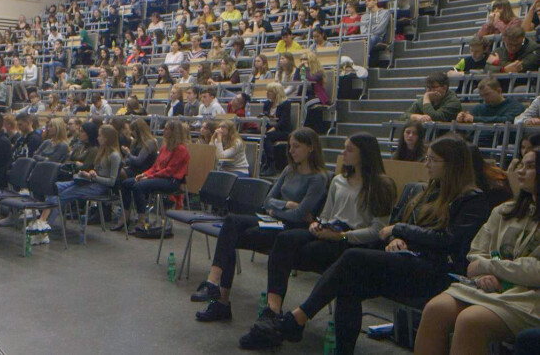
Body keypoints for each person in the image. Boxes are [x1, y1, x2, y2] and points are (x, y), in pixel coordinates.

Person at [240, 136, 491, 353]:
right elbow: (393, 226)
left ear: (452, 165)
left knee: (354, 259)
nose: (426, 164)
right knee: (350, 285)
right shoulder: (425, 191)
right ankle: (334, 346)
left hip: (436, 270)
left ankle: (297, 319)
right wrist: (396, 238)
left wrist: (400, 231)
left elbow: (448, 241)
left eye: (432, 160)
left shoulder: (473, 199)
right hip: (406, 258)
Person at [202, 134, 396, 323]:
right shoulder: (338, 180)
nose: (343, 152)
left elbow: (377, 229)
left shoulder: (380, 185)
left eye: (349, 149)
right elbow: (324, 214)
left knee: (274, 238)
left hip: (346, 237)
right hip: (326, 229)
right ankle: (230, 297)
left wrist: (341, 235)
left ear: (365, 154)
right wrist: (316, 223)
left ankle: (269, 311)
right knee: (234, 226)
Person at [193, 128, 329, 320]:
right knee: (231, 222)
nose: (291, 151)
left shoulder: (318, 178)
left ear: (311, 148)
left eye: (296, 147)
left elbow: (299, 216)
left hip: (289, 229)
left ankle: (221, 302)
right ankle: (213, 283)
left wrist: (278, 209)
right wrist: (287, 204)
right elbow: (267, 201)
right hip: (273, 220)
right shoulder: (289, 170)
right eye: (290, 146)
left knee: (230, 237)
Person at [415, 148, 540, 354]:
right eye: (521, 165)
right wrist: (484, 273)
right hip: (488, 287)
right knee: (435, 309)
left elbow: (535, 271)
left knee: (471, 321)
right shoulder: (504, 211)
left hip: (528, 297)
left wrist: (489, 267)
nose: (520, 171)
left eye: (530, 166)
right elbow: (476, 253)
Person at [31, 125, 123, 244]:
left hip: (99, 187)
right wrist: (92, 173)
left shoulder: (114, 156)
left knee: (60, 197)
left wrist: (94, 176)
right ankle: (42, 223)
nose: (98, 137)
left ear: (107, 138)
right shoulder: (102, 152)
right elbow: (98, 171)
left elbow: (111, 182)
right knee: (54, 188)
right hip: (88, 181)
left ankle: (43, 227)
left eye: (100, 135)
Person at [119, 121, 191, 233]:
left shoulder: (181, 149)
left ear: (174, 132)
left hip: (171, 180)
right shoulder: (165, 147)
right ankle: (125, 216)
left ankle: (141, 221)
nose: (164, 131)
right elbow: (155, 166)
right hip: (159, 176)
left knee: (138, 186)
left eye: (167, 129)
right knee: (126, 183)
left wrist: (149, 177)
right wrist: (144, 174)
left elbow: (170, 171)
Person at [456, 78, 526, 124]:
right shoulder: (478, 108)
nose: (484, 98)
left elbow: (507, 120)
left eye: (487, 94)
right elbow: (470, 118)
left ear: (499, 91)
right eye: (482, 96)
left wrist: (475, 119)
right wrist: (462, 118)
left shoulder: (515, 106)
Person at [261, 82, 293, 175]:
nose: (267, 93)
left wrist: (274, 128)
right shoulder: (267, 104)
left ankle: (271, 164)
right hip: (270, 130)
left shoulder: (286, 104)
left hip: (283, 131)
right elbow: (265, 118)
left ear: (277, 92)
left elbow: (284, 121)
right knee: (263, 135)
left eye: (270, 91)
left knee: (267, 137)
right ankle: (264, 163)